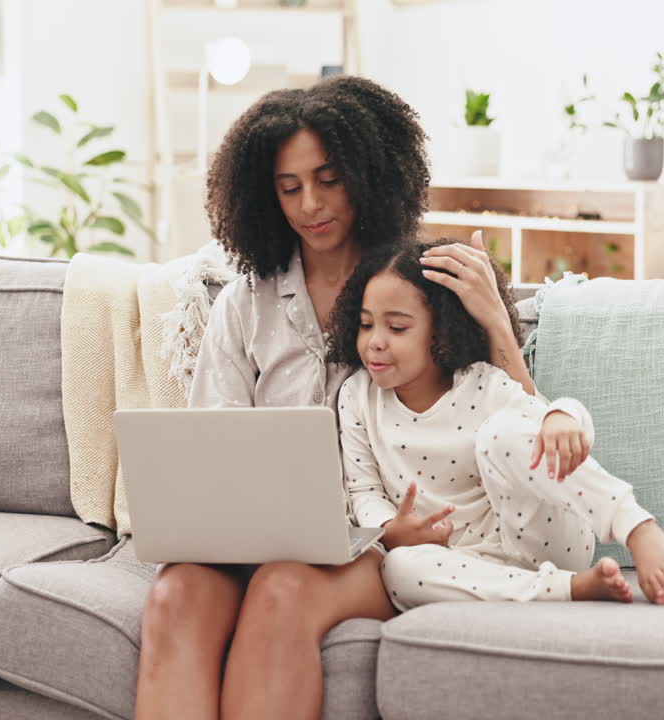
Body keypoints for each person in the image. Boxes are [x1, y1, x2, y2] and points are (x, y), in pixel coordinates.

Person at [133, 75, 529, 720]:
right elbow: (209, 446)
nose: (310, 205)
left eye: (329, 180)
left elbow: (531, 430)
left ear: (370, 174)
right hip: (252, 535)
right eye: (289, 188)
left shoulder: (421, 285)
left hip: (386, 542)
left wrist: (494, 321)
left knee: (283, 591)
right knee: (174, 596)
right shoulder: (245, 300)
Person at [326, 239, 664, 611]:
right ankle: (570, 590)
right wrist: (391, 530)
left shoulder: (479, 382)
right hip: (469, 563)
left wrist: (562, 418)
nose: (375, 342)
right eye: (366, 325)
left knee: (507, 432)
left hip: (548, 538)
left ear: (440, 333)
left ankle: (636, 527)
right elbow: (363, 489)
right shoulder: (356, 396)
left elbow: (549, 425)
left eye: (397, 328)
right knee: (398, 569)